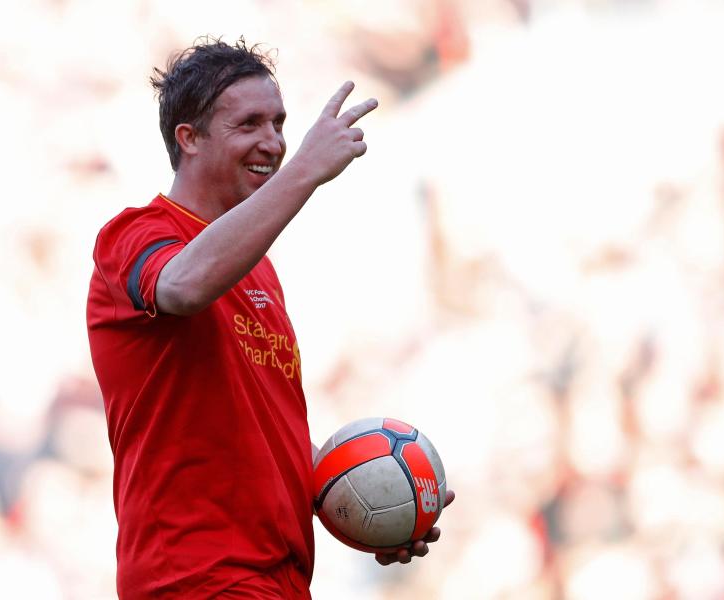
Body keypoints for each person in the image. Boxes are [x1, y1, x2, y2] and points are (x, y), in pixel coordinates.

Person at [86, 37, 454, 599]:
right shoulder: (135, 234)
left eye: (279, 123)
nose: (274, 141)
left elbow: (260, 431)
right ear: (189, 138)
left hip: (275, 578)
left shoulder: (257, 272)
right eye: (250, 124)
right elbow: (181, 286)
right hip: (193, 576)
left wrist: (372, 495)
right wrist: (304, 171)